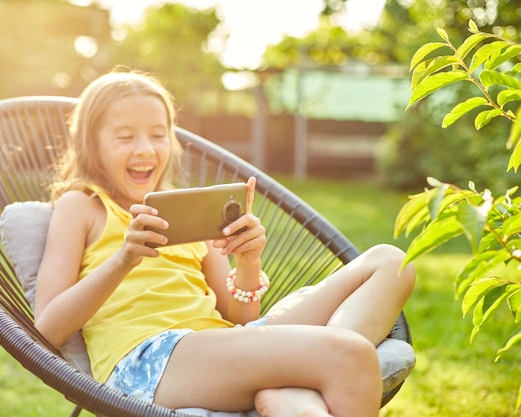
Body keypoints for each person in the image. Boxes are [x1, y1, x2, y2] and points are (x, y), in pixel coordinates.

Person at [34, 69, 416, 417]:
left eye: (157, 134)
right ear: (91, 143)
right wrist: (124, 259)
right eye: (124, 136)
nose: (146, 150)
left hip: (218, 344)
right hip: (150, 361)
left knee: (392, 262)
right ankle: (302, 381)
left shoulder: (186, 212)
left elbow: (239, 320)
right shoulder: (82, 206)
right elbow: (47, 329)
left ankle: (293, 389)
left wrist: (248, 263)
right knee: (350, 354)